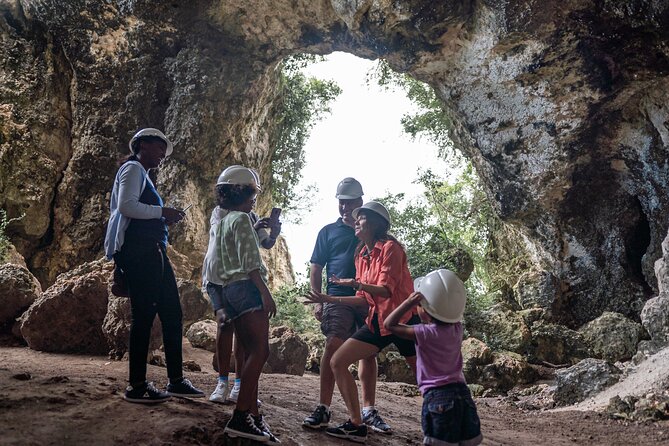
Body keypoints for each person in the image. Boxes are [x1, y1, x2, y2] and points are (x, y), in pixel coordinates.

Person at [104, 128, 205, 403]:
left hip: (153, 252)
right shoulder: (133, 169)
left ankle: (176, 380)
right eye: (160, 148)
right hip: (141, 253)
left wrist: (162, 218)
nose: (163, 154)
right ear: (143, 145)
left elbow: (136, 210)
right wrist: (163, 212)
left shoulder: (142, 174)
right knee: (144, 317)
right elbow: (126, 207)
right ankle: (136, 385)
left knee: (172, 313)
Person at [304, 201, 418, 443]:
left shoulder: (391, 248)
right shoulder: (361, 254)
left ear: (376, 224)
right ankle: (356, 423)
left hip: (403, 320)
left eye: (362, 218)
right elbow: (362, 299)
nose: (356, 221)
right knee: (338, 361)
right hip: (378, 321)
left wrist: (355, 284)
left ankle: (449, 419)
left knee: (424, 375)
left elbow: (386, 290)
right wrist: (327, 298)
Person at [302, 179, 391, 435]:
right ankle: (323, 407)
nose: (344, 206)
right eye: (341, 201)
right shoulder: (328, 232)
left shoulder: (370, 232)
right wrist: (318, 300)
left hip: (367, 299)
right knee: (333, 343)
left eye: (349, 201)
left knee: (369, 352)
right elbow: (316, 267)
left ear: (359, 203)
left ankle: (368, 410)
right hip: (336, 297)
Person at [203, 166, 280, 405]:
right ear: (238, 191)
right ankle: (225, 384)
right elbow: (238, 242)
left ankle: (238, 385)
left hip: (233, 280)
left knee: (243, 335)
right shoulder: (222, 214)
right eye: (252, 195)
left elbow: (261, 243)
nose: (254, 201)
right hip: (222, 278)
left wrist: (272, 233)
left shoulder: (248, 216)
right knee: (230, 330)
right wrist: (265, 294)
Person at [384, 269, 483, 446]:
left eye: (419, 305)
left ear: (427, 310)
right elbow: (451, 308)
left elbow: (389, 324)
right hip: (463, 395)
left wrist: (408, 302)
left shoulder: (423, 333)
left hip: (438, 397)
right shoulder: (457, 330)